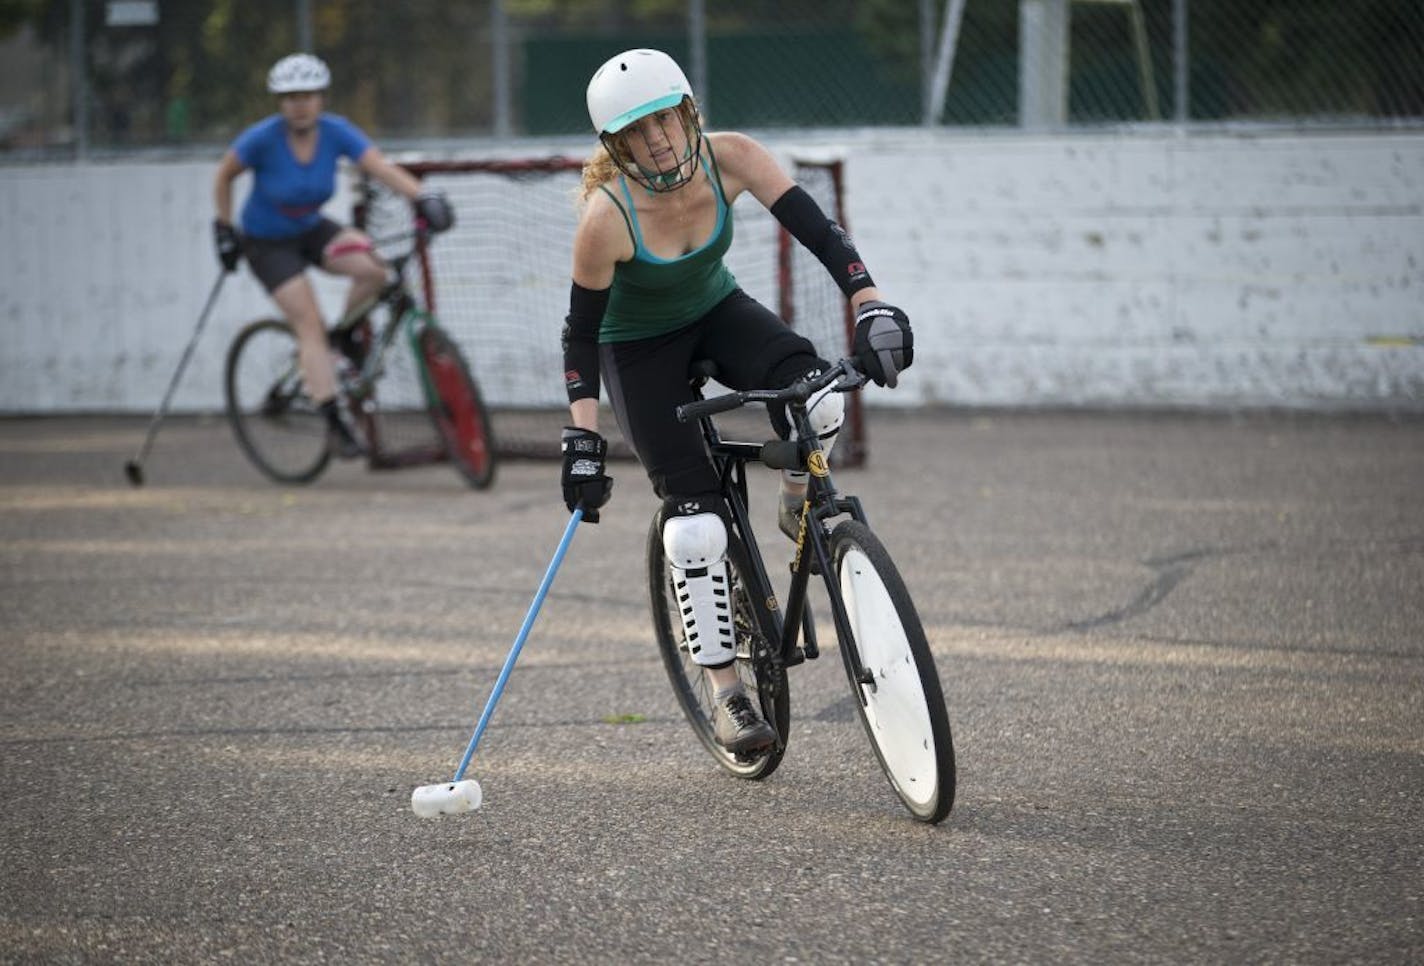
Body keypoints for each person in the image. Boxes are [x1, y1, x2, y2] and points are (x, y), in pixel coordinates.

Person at [558, 49, 914, 755]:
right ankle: (726, 695)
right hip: (637, 349)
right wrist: (582, 440)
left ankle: (796, 502)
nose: (656, 138)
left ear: (688, 112)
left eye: (665, 118)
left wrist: (869, 302)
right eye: (637, 130)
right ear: (616, 146)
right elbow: (581, 336)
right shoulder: (607, 218)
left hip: (718, 310)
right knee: (694, 530)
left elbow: (822, 233)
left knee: (819, 398)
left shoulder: (734, 158)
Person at [212, 53, 453, 457]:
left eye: (307, 95)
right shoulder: (263, 138)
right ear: (279, 102)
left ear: (321, 97)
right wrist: (223, 228)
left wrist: (423, 195)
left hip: (310, 228)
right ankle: (334, 420)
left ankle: (341, 336)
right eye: (290, 97)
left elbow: (379, 167)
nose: (299, 104)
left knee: (375, 270)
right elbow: (224, 175)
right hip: (266, 241)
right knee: (309, 324)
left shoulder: (336, 132)